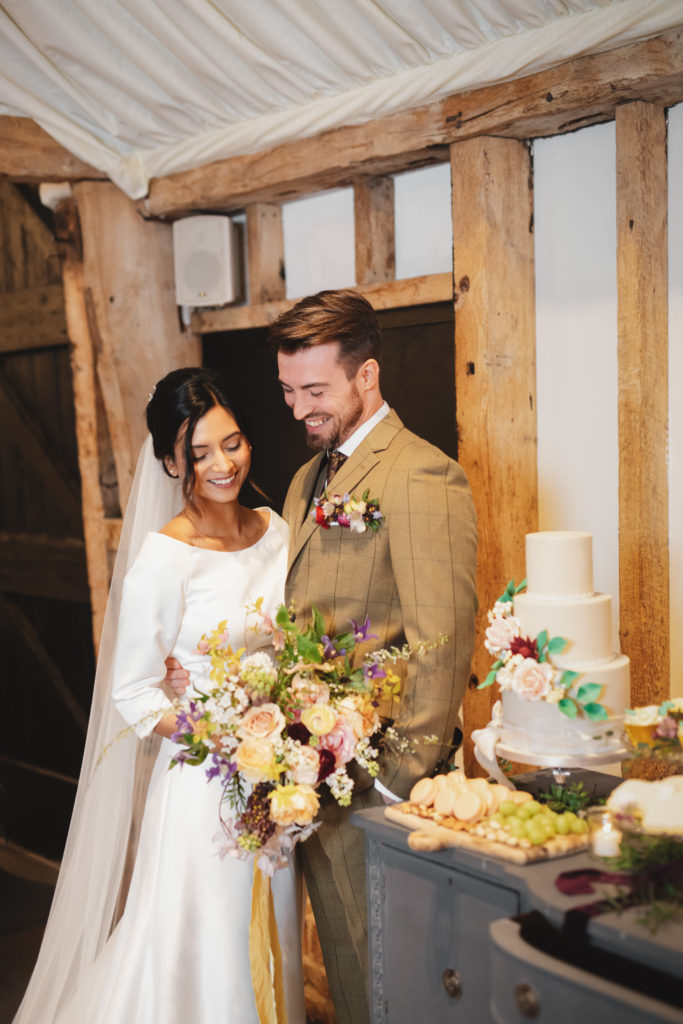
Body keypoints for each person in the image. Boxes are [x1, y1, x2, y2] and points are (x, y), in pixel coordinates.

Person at [167, 289, 478, 1024]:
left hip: (378, 789)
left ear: (365, 376)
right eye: (286, 391)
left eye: (315, 390)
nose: (297, 407)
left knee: (391, 980)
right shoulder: (308, 479)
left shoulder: (421, 475)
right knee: (347, 972)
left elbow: (442, 642)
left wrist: (393, 783)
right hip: (314, 779)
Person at [14, 368, 305, 1024]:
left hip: (278, 781)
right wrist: (217, 737)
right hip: (204, 787)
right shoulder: (166, 557)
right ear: (171, 461)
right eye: (198, 453)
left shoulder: (277, 530)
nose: (221, 464)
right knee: (207, 942)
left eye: (230, 443)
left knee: (272, 929)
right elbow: (135, 693)